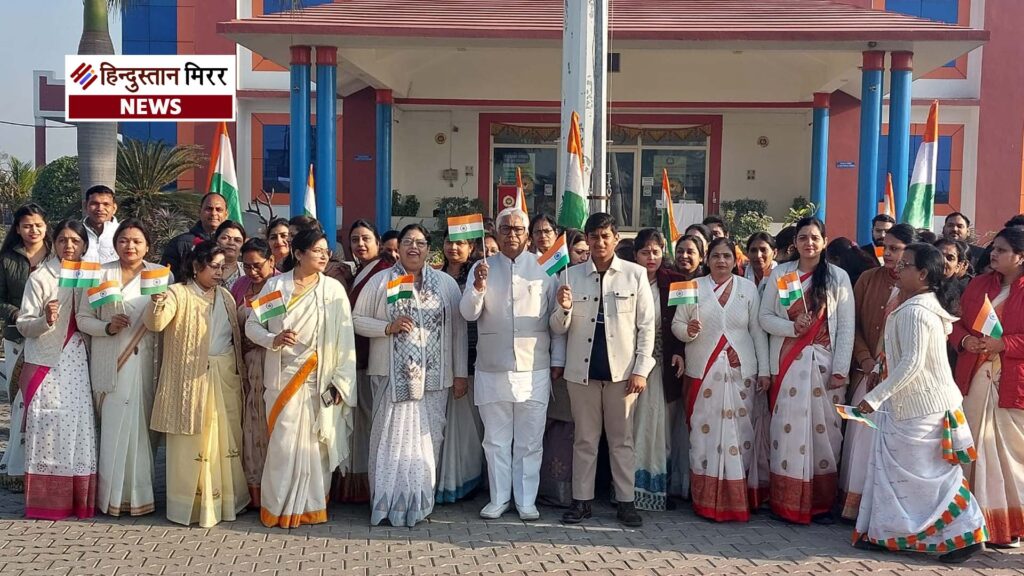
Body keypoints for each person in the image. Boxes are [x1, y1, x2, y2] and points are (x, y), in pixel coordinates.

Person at [854, 243, 987, 564]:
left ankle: (967, 534)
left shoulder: (917, 311)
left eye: (905, 265)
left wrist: (875, 397)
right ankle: (889, 534)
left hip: (920, 408)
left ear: (923, 274)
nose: (898, 269)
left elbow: (911, 364)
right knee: (900, 477)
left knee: (930, 479)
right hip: (912, 405)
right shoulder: (918, 305)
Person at [352, 224, 467, 527]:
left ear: (429, 248)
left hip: (435, 379)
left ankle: (419, 502)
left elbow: (458, 331)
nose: (413, 247)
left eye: (420, 242)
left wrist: (460, 374)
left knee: (429, 440)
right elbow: (356, 319)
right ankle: (386, 503)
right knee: (389, 440)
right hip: (390, 377)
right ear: (398, 247)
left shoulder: (445, 284)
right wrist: (386, 328)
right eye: (407, 242)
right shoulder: (381, 281)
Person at [246, 229, 357, 528]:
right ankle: (277, 507)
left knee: (317, 446)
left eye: (326, 251)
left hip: (320, 379)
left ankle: (312, 507)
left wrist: (341, 381)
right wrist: (273, 339)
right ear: (298, 254)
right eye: (317, 250)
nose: (324, 256)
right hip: (282, 379)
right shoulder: (276, 286)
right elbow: (252, 326)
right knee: (282, 445)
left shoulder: (332, 290)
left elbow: (345, 339)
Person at [551, 213, 655, 528]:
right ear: (587, 239)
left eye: (605, 236)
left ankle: (626, 502)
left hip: (622, 375)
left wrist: (641, 369)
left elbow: (647, 327)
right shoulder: (569, 275)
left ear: (616, 238)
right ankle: (581, 502)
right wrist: (563, 308)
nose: (599, 242)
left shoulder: (635, 275)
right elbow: (557, 327)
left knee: (622, 440)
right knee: (584, 440)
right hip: (581, 373)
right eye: (594, 236)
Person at [461, 208, 565, 520]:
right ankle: (499, 498)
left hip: (534, 367)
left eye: (518, 229)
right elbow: (468, 313)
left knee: (530, 441)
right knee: (495, 440)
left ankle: (526, 500)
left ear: (528, 234)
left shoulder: (544, 267)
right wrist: (478, 287)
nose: (512, 235)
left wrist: (565, 315)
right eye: (505, 229)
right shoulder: (482, 267)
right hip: (492, 367)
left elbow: (557, 323)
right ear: (496, 231)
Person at [144, 240, 249, 527]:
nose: (218, 273)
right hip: (188, 380)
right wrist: (156, 303)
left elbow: (234, 333)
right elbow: (156, 324)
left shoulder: (226, 296)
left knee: (223, 440)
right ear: (195, 266)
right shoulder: (177, 293)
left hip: (223, 375)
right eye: (213, 267)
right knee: (190, 442)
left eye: (222, 267)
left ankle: (226, 502)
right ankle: (188, 506)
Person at [759, 216, 854, 525]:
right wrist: (791, 327)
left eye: (815, 237)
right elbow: (764, 317)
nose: (809, 243)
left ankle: (821, 505)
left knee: (824, 436)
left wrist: (840, 369)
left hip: (825, 367)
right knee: (786, 433)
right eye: (803, 237)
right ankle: (785, 504)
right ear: (794, 243)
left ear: (824, 242)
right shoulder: (782, 275)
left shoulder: (837, 277)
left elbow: (847, 326)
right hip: (787, 365)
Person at [673, 237, 769, 521]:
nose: (721, 261)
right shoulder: (692, 287)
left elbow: (757, 332)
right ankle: (705, 501)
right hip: (702, 372)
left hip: (741, 373)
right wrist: (688, 331)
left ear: (734, 260)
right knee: (703, 437)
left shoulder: (748, 289)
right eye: (716, 256)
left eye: (727, 256)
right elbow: (677, 324)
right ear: (707, 259)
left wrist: (764, 370)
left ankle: (736, 500)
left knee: (740, 436)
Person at [77, 218, 165, 516]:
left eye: (137, 241)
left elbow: (167, 318)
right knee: (113, 429)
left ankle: (141, 497)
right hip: (111, 361)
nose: (130, 246)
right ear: (115, 244)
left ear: (147, 246)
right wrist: (107, 327)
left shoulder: (159, 275)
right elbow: (83, 318)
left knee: (141, 430)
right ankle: (109, 498)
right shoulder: (101, 274)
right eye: (124, 240)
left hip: (146, 362)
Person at [17, 220, 95, 519]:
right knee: (47, 426)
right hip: (47, 361)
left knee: (78, 426)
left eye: (75, 241)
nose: (69, 246)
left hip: (79, 359)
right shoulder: (40, 277)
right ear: (54, 243)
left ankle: (78, 499)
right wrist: (45, 320)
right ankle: (46, 502)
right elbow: (24, 324)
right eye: (63, 240)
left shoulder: (92, 276)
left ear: (84, 245)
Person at [839, 223, 916, 521]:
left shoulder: (918, 288)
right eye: (886, 247)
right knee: (861, 439)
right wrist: (865, 359)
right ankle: (855, 507)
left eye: (896, 249)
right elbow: (853, 325)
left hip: (899, 382)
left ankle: (885, 509)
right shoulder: (868, 279)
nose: (888, 254)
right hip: (868, 372)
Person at [952, 226, 1024, 547]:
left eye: (1002, 250)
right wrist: (964, 340)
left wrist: (1003, 344)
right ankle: (971, 522)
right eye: (994, 248)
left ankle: (1009, 526)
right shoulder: (979, 284)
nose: (993, 254)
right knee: (972, 448)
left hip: (1011, 383)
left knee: (1009, 457)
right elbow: (956, 324)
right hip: (974, 377)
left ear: (1021, 257)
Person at [332, 220, 393, 504]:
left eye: (366, 238)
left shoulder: (385, 271)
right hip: (355, 357)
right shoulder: (360, 271)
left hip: (373, 357)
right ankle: (356, 485)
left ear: (378, 242)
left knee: (372, 423)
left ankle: (373, 485)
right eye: (355, 239)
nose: (360, 244)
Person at [630, 229, 685, 512]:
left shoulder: (676, 282)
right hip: (630, 365)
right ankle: (627, 491)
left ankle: (658, 490)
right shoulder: (625, 278)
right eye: (645, 252)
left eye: (656, 251)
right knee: (632, 427)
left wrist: (680, 352)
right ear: (635, 254)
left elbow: (685, 321)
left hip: (663, 364)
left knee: (661, 429)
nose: (651, 257)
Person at [0, 203, 50, 492]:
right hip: (18, 337)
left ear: (46, 226)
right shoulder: (7, 259)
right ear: (18, 229)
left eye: (38, 225)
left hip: (51, 340)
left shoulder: (57, 257)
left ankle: (40, 463)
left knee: (41, 401)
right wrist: (19, 315)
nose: (33, 230)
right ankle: (16, 466)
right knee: (20, 399)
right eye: (27, 225)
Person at [437, 229, 486, 504]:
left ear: (471, 247)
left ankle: (468, 479)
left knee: (468, 426)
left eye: (460, 243)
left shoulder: (477, 278)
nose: (453, 248)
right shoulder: (434, 277)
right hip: (442, 360)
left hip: (472, 358)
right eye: (449, 242)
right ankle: (444, 480)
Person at [229, 238, 278, 508]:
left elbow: (277, 327)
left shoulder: (279, 285)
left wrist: (258, 339)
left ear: (271, 261)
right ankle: (252, 488)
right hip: (244, 363)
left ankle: (271, 488)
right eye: (247, 266)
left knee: (266, 422)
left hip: (270, 362)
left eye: (258, 265)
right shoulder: (239, 286)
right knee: (248, 423)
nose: (252, 271)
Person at [161, 193, 228, 281]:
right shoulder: (180, 243)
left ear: (226, 214)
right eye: (209, 209)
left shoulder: (233, 244)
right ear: (199, 211)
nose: (213, 213)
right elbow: (167, 278)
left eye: (219, 210)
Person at [82, 184, 119, 264]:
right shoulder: (76, 233)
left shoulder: (123, 233)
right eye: (94, 203)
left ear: (114, 208)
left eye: (106, 204)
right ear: (85, 206)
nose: (100, 208)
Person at [215, 220, 247, 287]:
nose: (231, 243)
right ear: (215, 241)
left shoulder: (248, 270)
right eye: (225, 238)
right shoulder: (204, 267)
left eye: (237, 240)